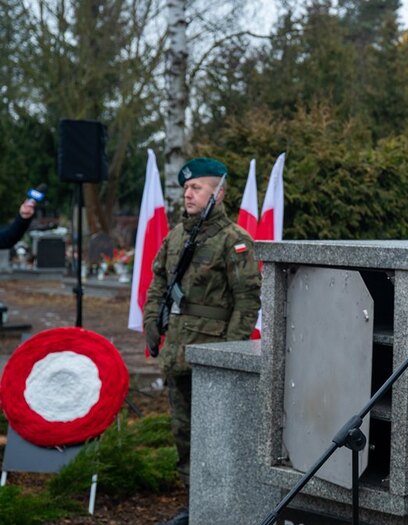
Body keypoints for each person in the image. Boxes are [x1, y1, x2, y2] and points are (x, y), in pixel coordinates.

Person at [144, 157, 261, 525]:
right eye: (186, 188)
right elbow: (158, 283)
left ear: (218, 193)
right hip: (177, 351)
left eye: (197, 187)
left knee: (216, 436)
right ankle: (194, 505)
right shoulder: (176, 237)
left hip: (211, 354)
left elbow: (247, 301)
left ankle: (220, 506)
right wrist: (151, 323)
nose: (188, 194)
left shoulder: (234, 240)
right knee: (184, 433)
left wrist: (229, 353)